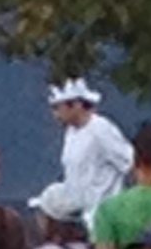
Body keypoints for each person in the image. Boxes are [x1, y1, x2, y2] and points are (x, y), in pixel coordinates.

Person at [44, 78, 134, 219]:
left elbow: (130, 163)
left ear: (76, 105)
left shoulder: (101, 129)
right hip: (80, 217)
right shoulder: (71, 132)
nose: (55, 115)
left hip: (104, 218)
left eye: (57, 108)